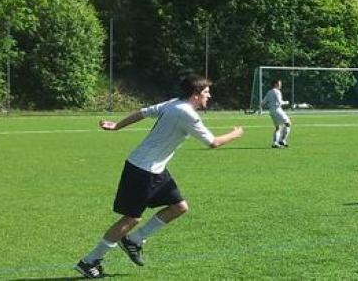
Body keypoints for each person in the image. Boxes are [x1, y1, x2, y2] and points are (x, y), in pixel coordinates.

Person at [74, 74, 243, 279]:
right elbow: (213, 142)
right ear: (196, 94)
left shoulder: (173, 103)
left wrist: (117, 126)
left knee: (179, 207)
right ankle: (89, 261)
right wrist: (235, 134)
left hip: (155, 169)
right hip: (142, 169)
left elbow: (143, 112)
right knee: (131, 219)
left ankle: (134, 240)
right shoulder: (186, 113)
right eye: (206, 92)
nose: (210, 95)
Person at [261, 78, 292, 148]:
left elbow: (262, 103)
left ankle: (275, 143)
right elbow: (280, 102)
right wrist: (287, 102)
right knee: (288, 124)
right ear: (275, 84)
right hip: (278, 110)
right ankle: (282, 140)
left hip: (271, 111)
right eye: (279, 84)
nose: (280, 85)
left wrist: (269, 105)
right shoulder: (277, 91)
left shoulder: (269, 92)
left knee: (278, 127)